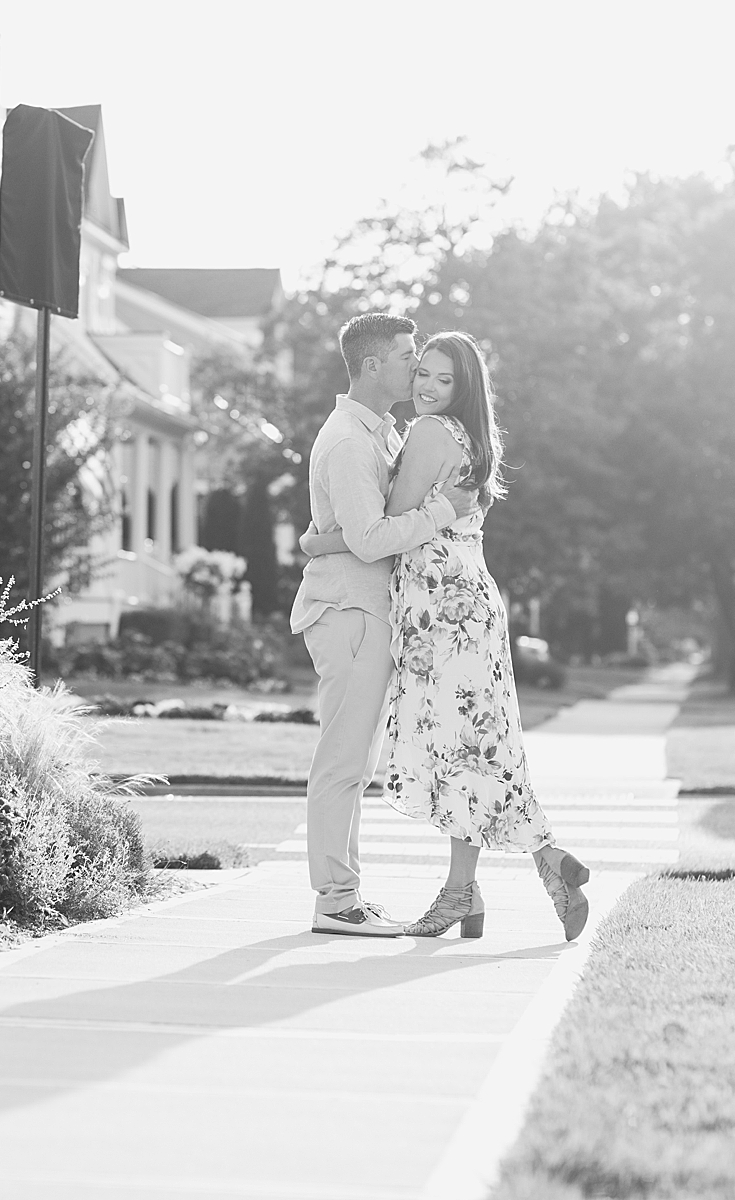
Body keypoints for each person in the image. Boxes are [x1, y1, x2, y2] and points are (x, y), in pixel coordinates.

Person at [298, 330, 591, 941]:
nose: (421, 382)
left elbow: (378, 529)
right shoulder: (438, 434)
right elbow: (381, 528)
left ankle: (482, 881)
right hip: (460, 602)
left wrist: (320, 540)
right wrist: (328, 538)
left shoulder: (426, 433)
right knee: (475, 742)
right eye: (417, 368)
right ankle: (510, 872)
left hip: (443, 607)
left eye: (438, 376)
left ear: (463, 389)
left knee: (462, 746)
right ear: (378, 365)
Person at [289, 313, 479, 937]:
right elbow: (373, 539)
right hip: (349, 612)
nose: (415, 367)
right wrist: (441, 512)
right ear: (373, 365)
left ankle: (344, 895)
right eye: (406, 358)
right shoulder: (348, 439)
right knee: (342, 762)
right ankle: (335, 900)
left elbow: (357, 529)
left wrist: (322, 541)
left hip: (370, 612)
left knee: (354, 763)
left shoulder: (384, 433)